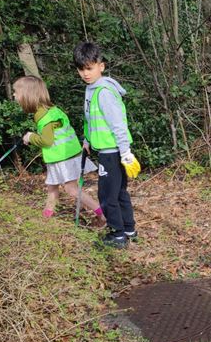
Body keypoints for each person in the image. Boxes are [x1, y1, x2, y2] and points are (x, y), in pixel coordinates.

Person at [73, 42, 139, 249]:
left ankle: (118, 234)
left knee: (107, 195)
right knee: (119, 192)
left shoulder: (103, 92)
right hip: (106, 150)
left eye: (90, 68)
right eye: (82, 69)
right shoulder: (91, 90)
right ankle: (129, 229)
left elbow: (118, 123)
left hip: (112, 153)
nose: (85, 73)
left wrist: (125, 152)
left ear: (101, 66)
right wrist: (87, 140)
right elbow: (90, 119)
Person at [14, 76, 104, 222]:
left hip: (63, 157)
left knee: (71, 189)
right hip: (63, 155)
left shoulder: (45, 117)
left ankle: (102, 213)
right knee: (52, 188)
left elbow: (47, 141)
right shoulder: (49, 111)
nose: (14, 95)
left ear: (27, 94)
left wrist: (30, 137)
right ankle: (46, 218)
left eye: (16, 92)